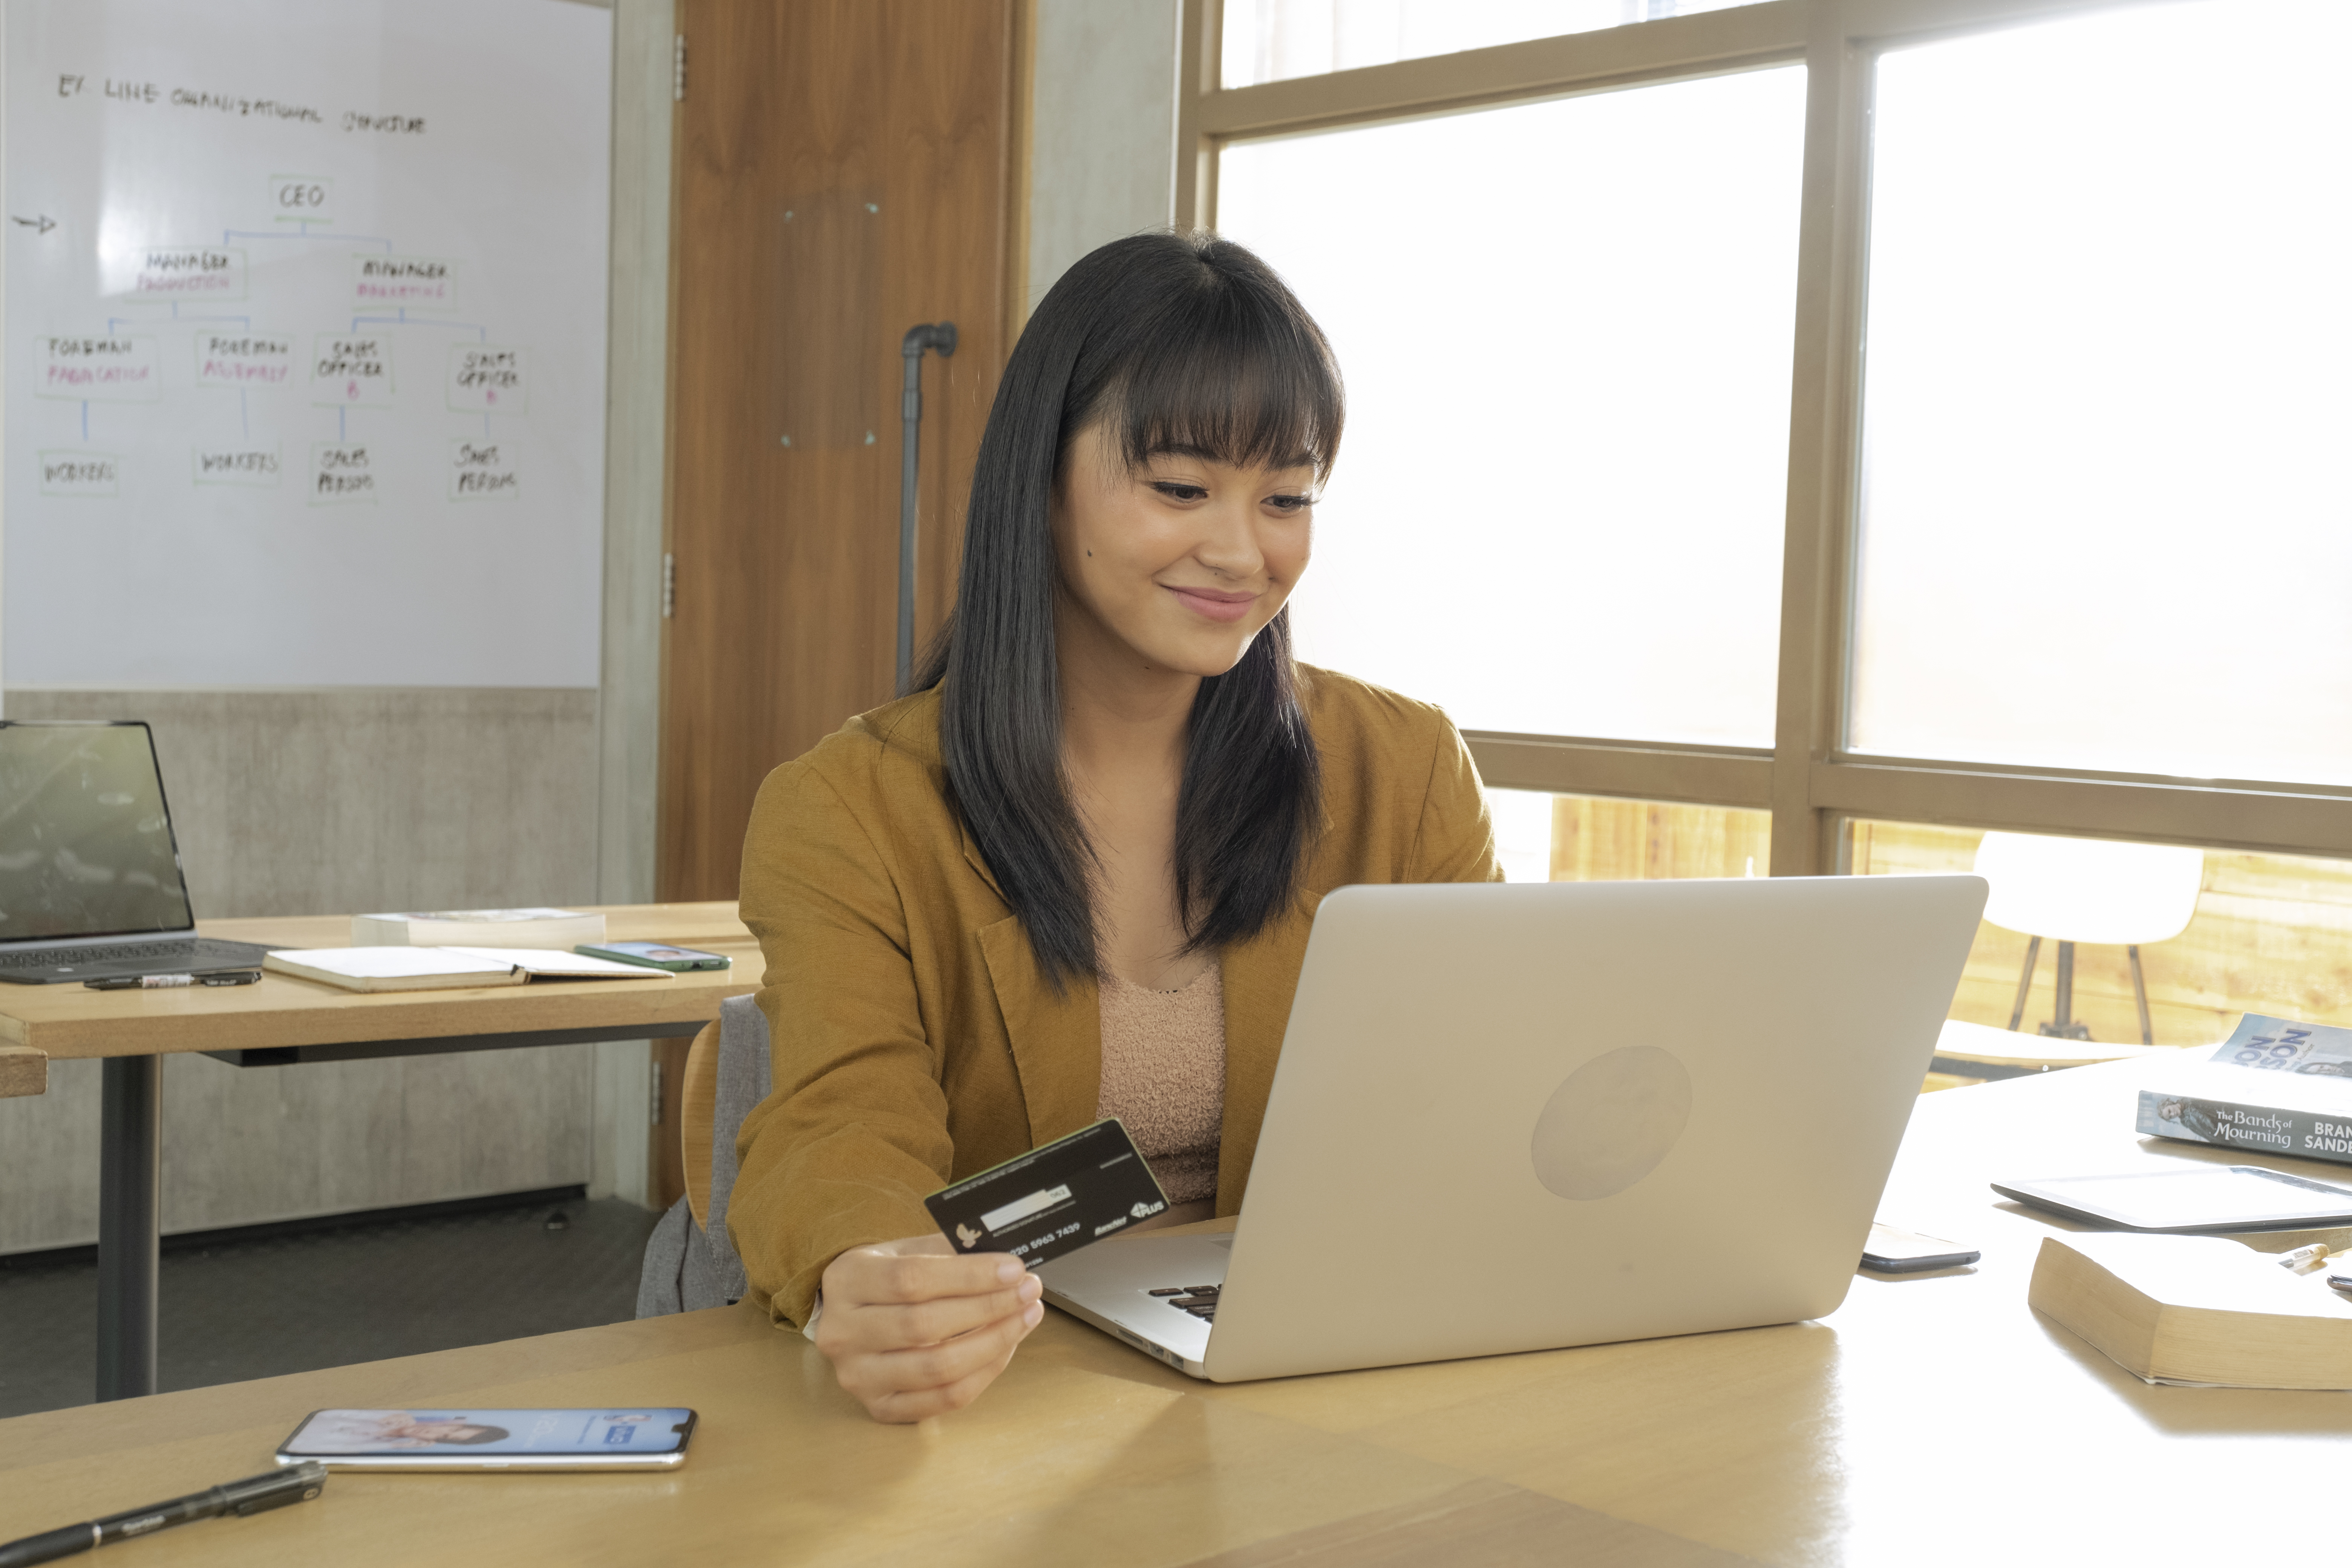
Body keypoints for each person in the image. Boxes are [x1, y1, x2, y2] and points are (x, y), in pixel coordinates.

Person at [730, 230, 1499, 1423]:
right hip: (1013, 1391)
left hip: (1319, 1379)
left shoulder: (1403, 770)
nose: (1244, 551)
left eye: (1287, 498)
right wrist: (865, 1270)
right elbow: (839, 1123)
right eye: (1182, 489)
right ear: (1043, 480)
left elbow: (1487, 1093)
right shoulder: (856, 808)